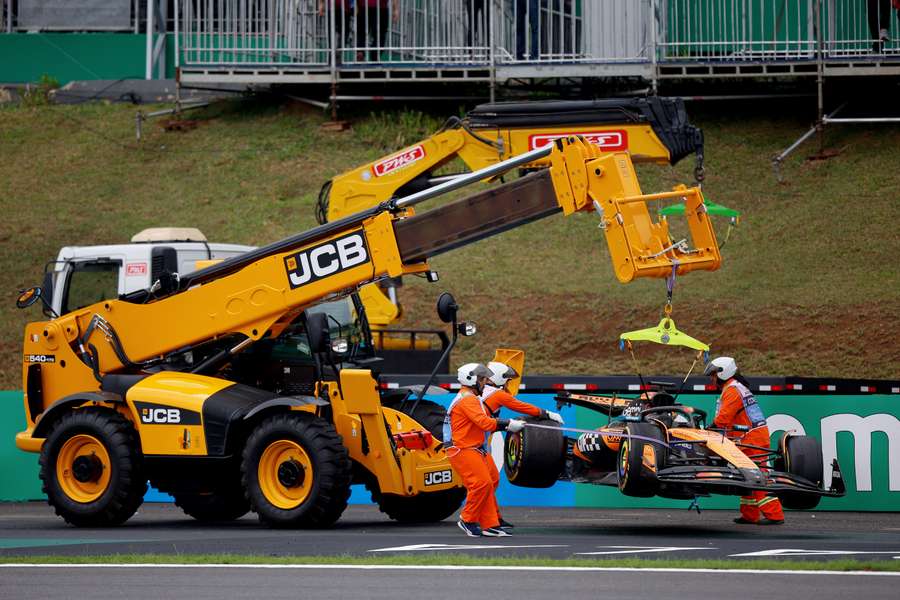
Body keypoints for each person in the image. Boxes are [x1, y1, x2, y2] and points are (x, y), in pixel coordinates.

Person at [444, 363, 525, 537]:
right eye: (482, 379)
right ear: (471, 379)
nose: (485, 382)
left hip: (474, 447)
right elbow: (484, 422)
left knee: (491, 480)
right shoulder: (468, 399)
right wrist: (508, 424)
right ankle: (467, 519)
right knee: (481, 483)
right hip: (463, 449)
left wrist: (507, 423)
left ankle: (490, 524)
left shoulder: (470, 397)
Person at [482, 361, 563, 529]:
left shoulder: (484, 391)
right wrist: (546, 413)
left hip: (480, 444)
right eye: (507, 380)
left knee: (491, 480)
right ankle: (474, 519)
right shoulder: (496, 394)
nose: (508, 384)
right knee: (484, 484)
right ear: (498, 378)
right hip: (473, 445)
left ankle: (493, 518)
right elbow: (521, 406)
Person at [705, 356, 785, 526]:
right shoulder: (733, 387)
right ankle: (750, 515)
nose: (712, 379)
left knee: (756, 476)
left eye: (713, 375)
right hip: (751, 437)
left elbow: (723, 419)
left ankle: (775, 515)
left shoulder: (732, 390)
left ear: (723, 373)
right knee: (747, 476)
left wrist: (708, 430)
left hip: (752, 439)